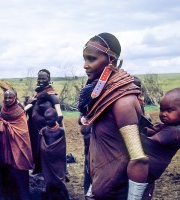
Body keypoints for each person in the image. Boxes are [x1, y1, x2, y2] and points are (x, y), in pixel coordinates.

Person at [77, 32, 149, 199]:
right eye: (85, 59)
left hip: (116, 191)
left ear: (111, 61)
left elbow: (139, 159)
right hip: (102, 185)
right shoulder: (104, 93)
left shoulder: (122, 102)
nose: (85, 65)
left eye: (91, 59)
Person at [140, 88, 180, 198]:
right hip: (147, 170)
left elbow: (150, 141)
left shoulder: (175, 132)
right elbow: (152, 130)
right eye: (162, 110)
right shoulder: (168, 126)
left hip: (149, 170)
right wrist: (144, 129)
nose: (163, 114)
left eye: (169, 110)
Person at [0, 90, 33, 200]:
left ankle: (24, 196)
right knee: (9, 170)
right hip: (6, 144)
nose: (7, 100)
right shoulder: (3, 109)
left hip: (18, 143)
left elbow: (23, 131)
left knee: (20, 169)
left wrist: (9, 128)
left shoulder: (19, 110)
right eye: (6, 97)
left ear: (15, 97)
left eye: (10, 98)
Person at [26, 69, 64, 162]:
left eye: (43, 78)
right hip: (36, 127)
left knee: (46, 147)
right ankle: (38, 165)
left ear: (49, 79)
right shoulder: (38, 92)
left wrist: (59, 116)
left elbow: (56, 104)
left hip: (47, 127)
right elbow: (31, 104)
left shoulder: (50, 92)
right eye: (39, 78)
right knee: (37, 146)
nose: (41, 81)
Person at [33, 107, 70, 200]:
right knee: (48, 178)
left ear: (56, 118)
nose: (48, 121)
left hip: (58, 160)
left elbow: (62, 147)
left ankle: (66, 196)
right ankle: (49, 194)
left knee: (60, 179)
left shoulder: (61, 131)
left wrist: (54, 151)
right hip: (46, 160)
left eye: (50, 119)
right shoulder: (44, 131)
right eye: (46, 119)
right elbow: (40, 144)